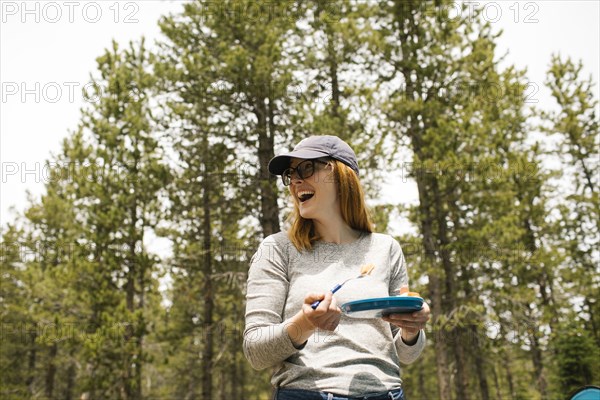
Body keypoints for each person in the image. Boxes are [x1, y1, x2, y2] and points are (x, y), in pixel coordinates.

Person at [243, 135, 431, 400]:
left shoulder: (386, 248)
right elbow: (255, 351)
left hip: (387, 393)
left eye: (306, 168)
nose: (295, 180)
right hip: (306, 394)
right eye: (290, 173)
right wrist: (305, 323)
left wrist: (412, 330)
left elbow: (406, 353)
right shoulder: (276, 249)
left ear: (340, 175)